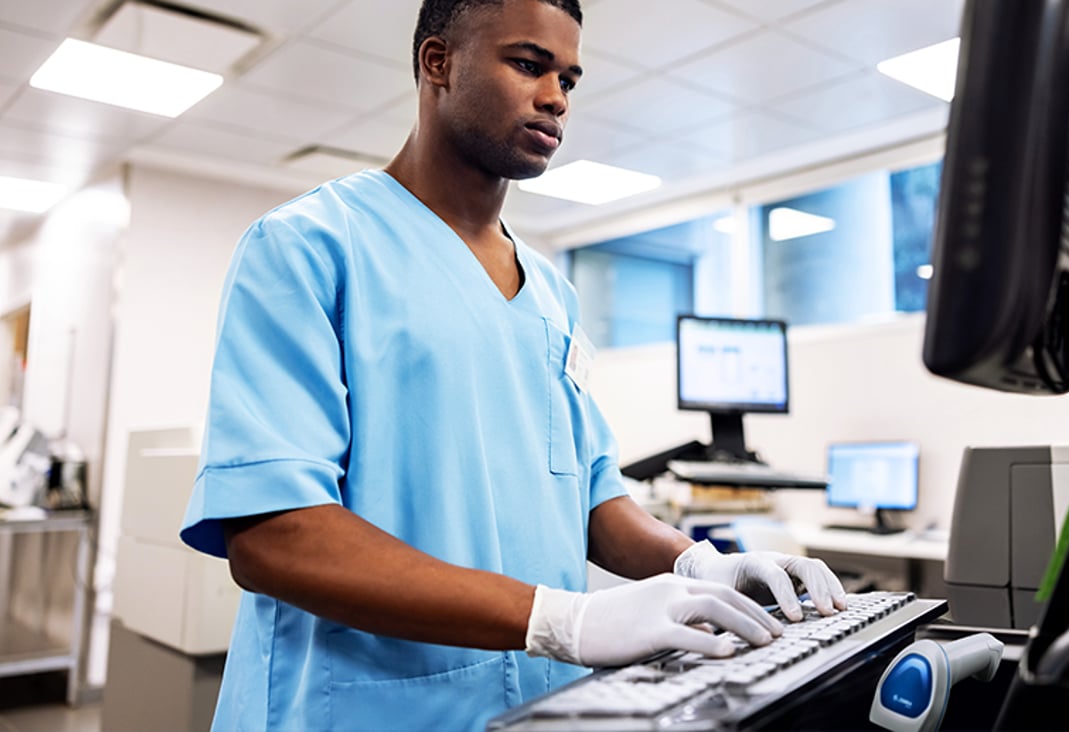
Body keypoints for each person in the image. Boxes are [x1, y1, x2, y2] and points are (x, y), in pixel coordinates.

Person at [179, 0, 847, 729]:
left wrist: (698, 564)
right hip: (359, 707)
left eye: (569, 78)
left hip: (541, 705)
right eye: (529, 65)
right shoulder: (310, 248)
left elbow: (592, 498)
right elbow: (274, 536)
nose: (557, 97)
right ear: (438, 63)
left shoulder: (552, 296)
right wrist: (566, 620)